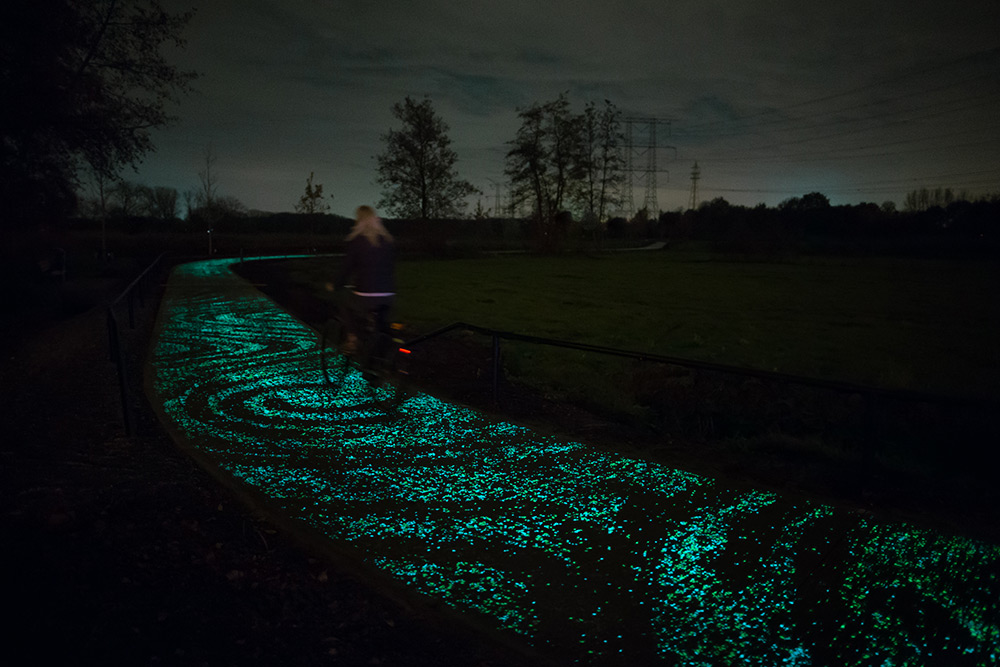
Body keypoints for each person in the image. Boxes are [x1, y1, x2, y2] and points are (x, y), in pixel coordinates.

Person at [334, 205, 395, 352]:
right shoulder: (387, 240)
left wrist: (337, 284)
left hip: (366, 295)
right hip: (388, 295)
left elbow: (346, 268)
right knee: (380, 324)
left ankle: (352, 339)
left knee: (345, 304)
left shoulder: (357, 241)